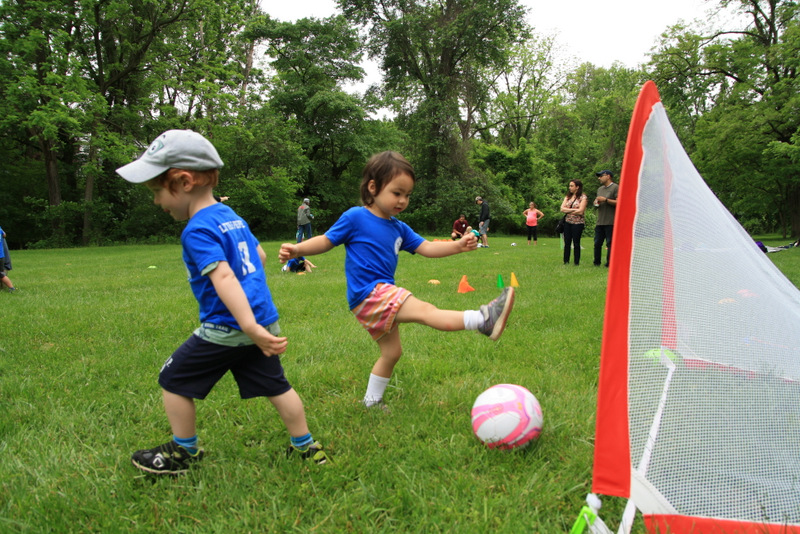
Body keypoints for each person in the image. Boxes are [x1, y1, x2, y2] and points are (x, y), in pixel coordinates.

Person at [116, 129, 327, 475]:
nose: (157, 202)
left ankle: (184, 453)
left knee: (173, 379)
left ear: (183, 181)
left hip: (228, 326)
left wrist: (246, 325)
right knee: (278, 386)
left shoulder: (197, 229)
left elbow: (225, 277)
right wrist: (256, 325)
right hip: (262, 321)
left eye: (157, 191)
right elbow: (257, 256)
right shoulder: (231, 216)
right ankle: (307, 448)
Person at [279, 151, 515, 409]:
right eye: (397, 193)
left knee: (392, 353)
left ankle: (372, 402)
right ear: (373, 187)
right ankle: (483, 320)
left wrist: (457, 246)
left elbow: (426, 247)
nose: (403, 200)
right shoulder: (355, 217)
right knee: (426, 310)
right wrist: (298, 250)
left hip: (373, 296)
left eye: (407, 195)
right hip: (370, 293)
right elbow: (326, 240)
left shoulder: (399, 228)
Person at [593, 170, 619, 267]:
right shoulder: (600, 189)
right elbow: (597, 203)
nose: (599, 178)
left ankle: (609, 263)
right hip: (600, 221)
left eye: (601, 176)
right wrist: (596, 203)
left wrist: (606, 200)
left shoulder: (615, 187)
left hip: (611, 221)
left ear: (608, 176)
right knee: (597, 243)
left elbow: (619, 202)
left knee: (610, 244)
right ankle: (596, 262)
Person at [560, 179, 588, 265]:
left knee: (576, 242)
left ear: (577, 187)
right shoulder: (568, 197)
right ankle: (566, 261)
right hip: (567, 222)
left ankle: (576, 262)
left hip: (578, 223)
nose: (570, 188)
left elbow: (581, 211)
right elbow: (562, 209)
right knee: (567, 242)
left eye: (572, 186)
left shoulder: (583, 197)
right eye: (569, 186)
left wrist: (568, 210)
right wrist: (574, 210)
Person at [0, 225, 16, 292]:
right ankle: (11, 287)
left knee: (1, 274)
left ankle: (11, 288)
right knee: (1, 274)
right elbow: (4, 235)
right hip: (1, 256)